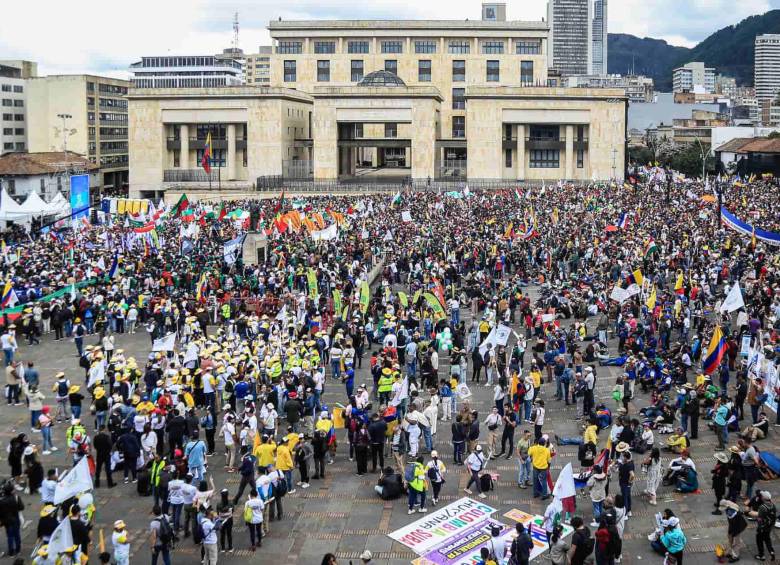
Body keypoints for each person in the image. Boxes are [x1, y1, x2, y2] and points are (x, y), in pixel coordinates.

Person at [755, 490, 776, 562]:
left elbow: (759, 518)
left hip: (762, 527)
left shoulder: (762, 507)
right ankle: (771, 552)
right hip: (769, 527)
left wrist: (759, 527)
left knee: (759, 540)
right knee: (767, 539)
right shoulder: (773, 505)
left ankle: (761, 555)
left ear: (763, 498)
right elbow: (774, 517)